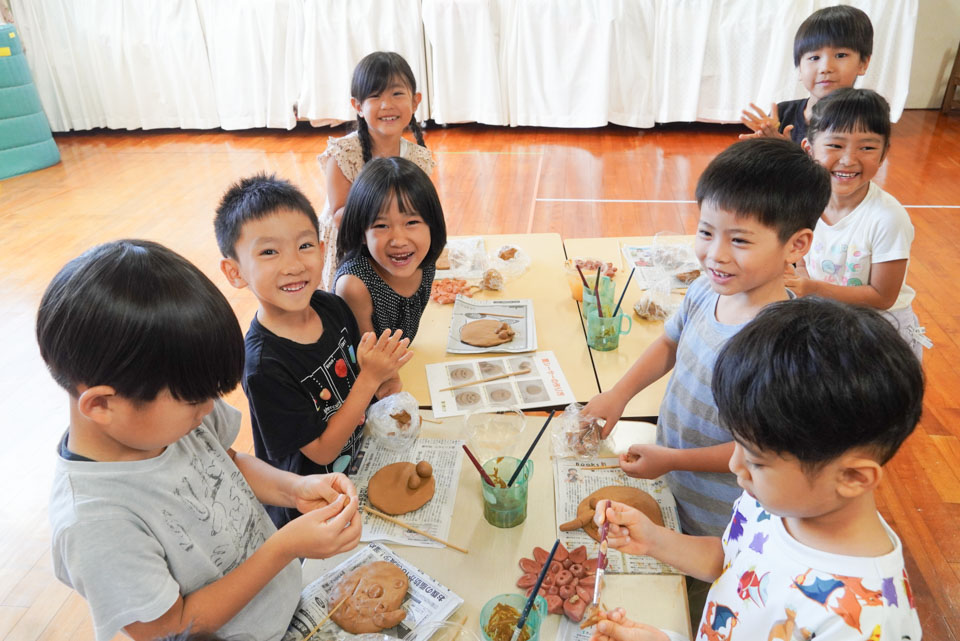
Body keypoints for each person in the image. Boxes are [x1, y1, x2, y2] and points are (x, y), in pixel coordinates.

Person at [39, 240, 363, 641]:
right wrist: (282, 547)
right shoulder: (94, 523)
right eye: (193, 400)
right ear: (103, 404)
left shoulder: (162, 422)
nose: (207, 410)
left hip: (289, 606)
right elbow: (173, 627)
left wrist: (295, 488)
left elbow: (226, 462)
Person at [589, 297, 923, 641]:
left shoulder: (863, 620)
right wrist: (654, 539)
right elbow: (732, 562)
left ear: (852, 477)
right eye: (738, 447)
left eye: (757, 461)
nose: (735, 466)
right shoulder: (774, 500)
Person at [585, 138, 830, 538]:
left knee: (694, 584)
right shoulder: (706, 289)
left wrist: (673, 459)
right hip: (670, 473)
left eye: (739, 240)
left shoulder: (779, 345)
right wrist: (618, 394)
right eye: (706, 232)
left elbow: (755, 453)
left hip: (717, 513)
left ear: (796, 245)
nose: (715, 254)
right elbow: (669, 342)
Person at [216, 173, 412, 528]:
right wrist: (369, 380)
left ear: (323, 250)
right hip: (313, 506)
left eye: (305, 246)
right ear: (235, 272)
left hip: (359, 465)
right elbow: (321, 450)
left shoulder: (331, 307)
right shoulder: (263, 365)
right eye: (269, 252)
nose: (293, 265)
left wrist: (383, 383)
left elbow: (358, 381)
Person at [786, 88, 930, 359]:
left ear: (884, 153)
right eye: (835, 145)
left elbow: (882, 296)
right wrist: (802, 275)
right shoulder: (808, 202)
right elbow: (802, 255)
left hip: (881, 332)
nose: (849, 159)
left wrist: (812, 289)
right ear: (809, 148)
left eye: (867, 147)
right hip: (831, 317)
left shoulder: (888, 218)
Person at [317, 51, 436, 291]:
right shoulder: (344, 153)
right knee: (351, 307)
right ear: (358, 106)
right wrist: (381, 228)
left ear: (415, 101)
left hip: (394, 241)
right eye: (375, 96)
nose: (386, 104)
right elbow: (340, 214)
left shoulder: (419, 158)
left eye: (397, 93)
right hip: (349, 247)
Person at [334, 156, 446, 343]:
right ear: (362, 233)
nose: (398, 240)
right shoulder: (354, 287)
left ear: (432, 225)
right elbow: (368, 362)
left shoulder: (424, 263)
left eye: (411, 222)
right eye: (381, 226)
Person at [740, 5, 872, 143]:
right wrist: (767, 145)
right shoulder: (783, 113)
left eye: (840, 55)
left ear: (863, 63)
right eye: (814, 58)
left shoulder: (865, 120)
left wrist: (789, 151)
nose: (825, 68)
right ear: (800, 71)